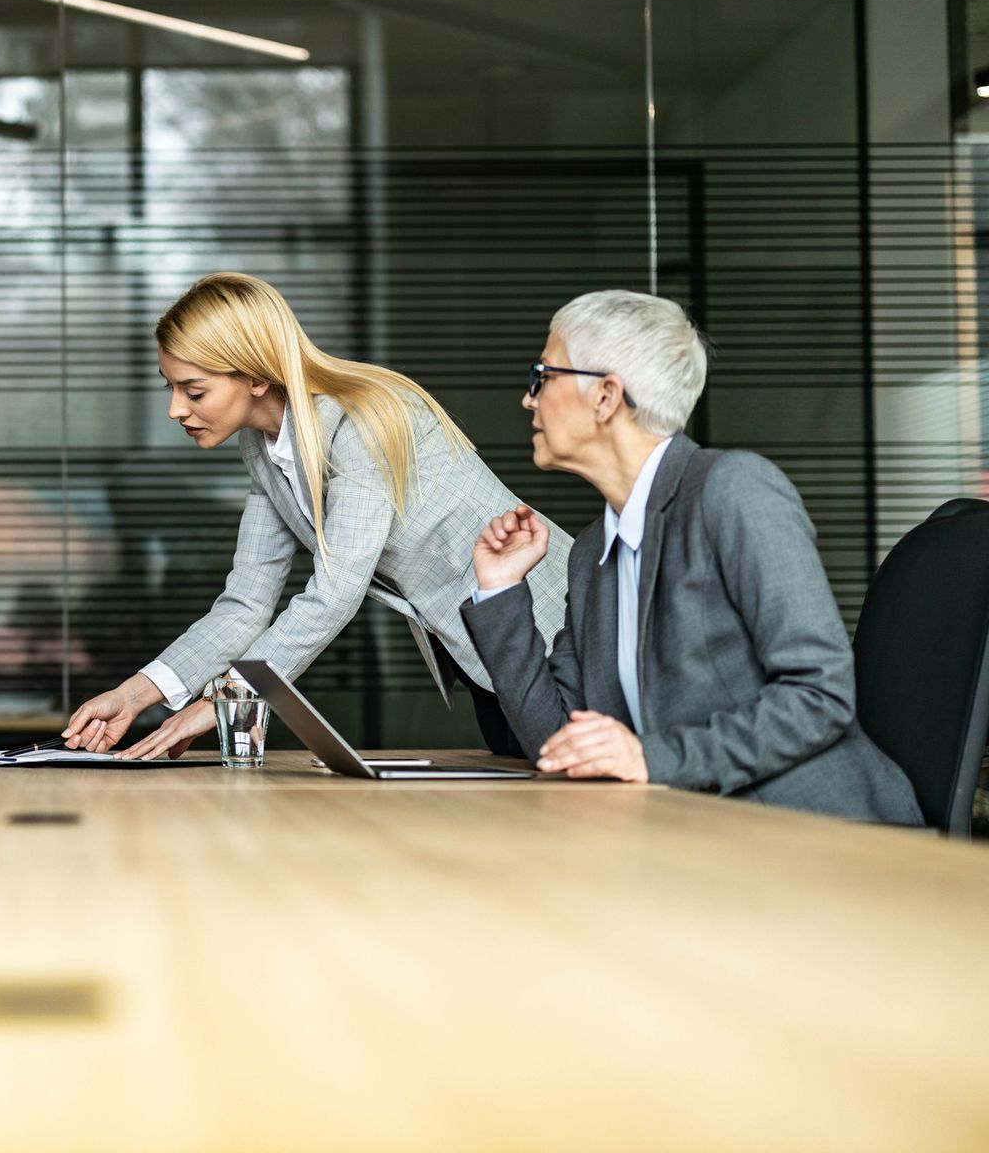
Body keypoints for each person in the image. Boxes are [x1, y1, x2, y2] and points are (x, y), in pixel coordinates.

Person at [65, 271, 572, 759]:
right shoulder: (262, 448)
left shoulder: (360, 423)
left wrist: (224, 700)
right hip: (485, 659)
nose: (176, 409)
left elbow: (335, 592)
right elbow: (245, 603)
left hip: (559, 634)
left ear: (256, 375)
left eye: (194, 391)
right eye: (170, 388)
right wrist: (136, 693)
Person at [462, 289, 920, 822]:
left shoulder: (733, 491)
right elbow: (558, 740)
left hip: (818, 833)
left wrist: (650, 757)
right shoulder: (592, 553)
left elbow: (820, 694)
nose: (529, 399)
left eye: (544, 376)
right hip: (694, 833)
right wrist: (500, 589)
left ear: (607, 397)